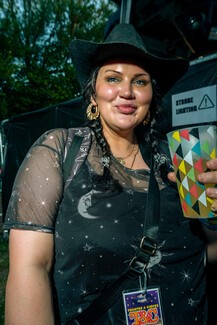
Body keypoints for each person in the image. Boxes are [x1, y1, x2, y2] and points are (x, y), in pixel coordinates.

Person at [3, 23, 217, 325]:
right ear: (93, 94)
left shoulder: (182, 155)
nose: (127, 91)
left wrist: (215, 213)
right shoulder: (60, 151)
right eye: (113, 78)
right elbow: (31, 267)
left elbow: (209, 249)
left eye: (140, 82)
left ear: (151, 96)